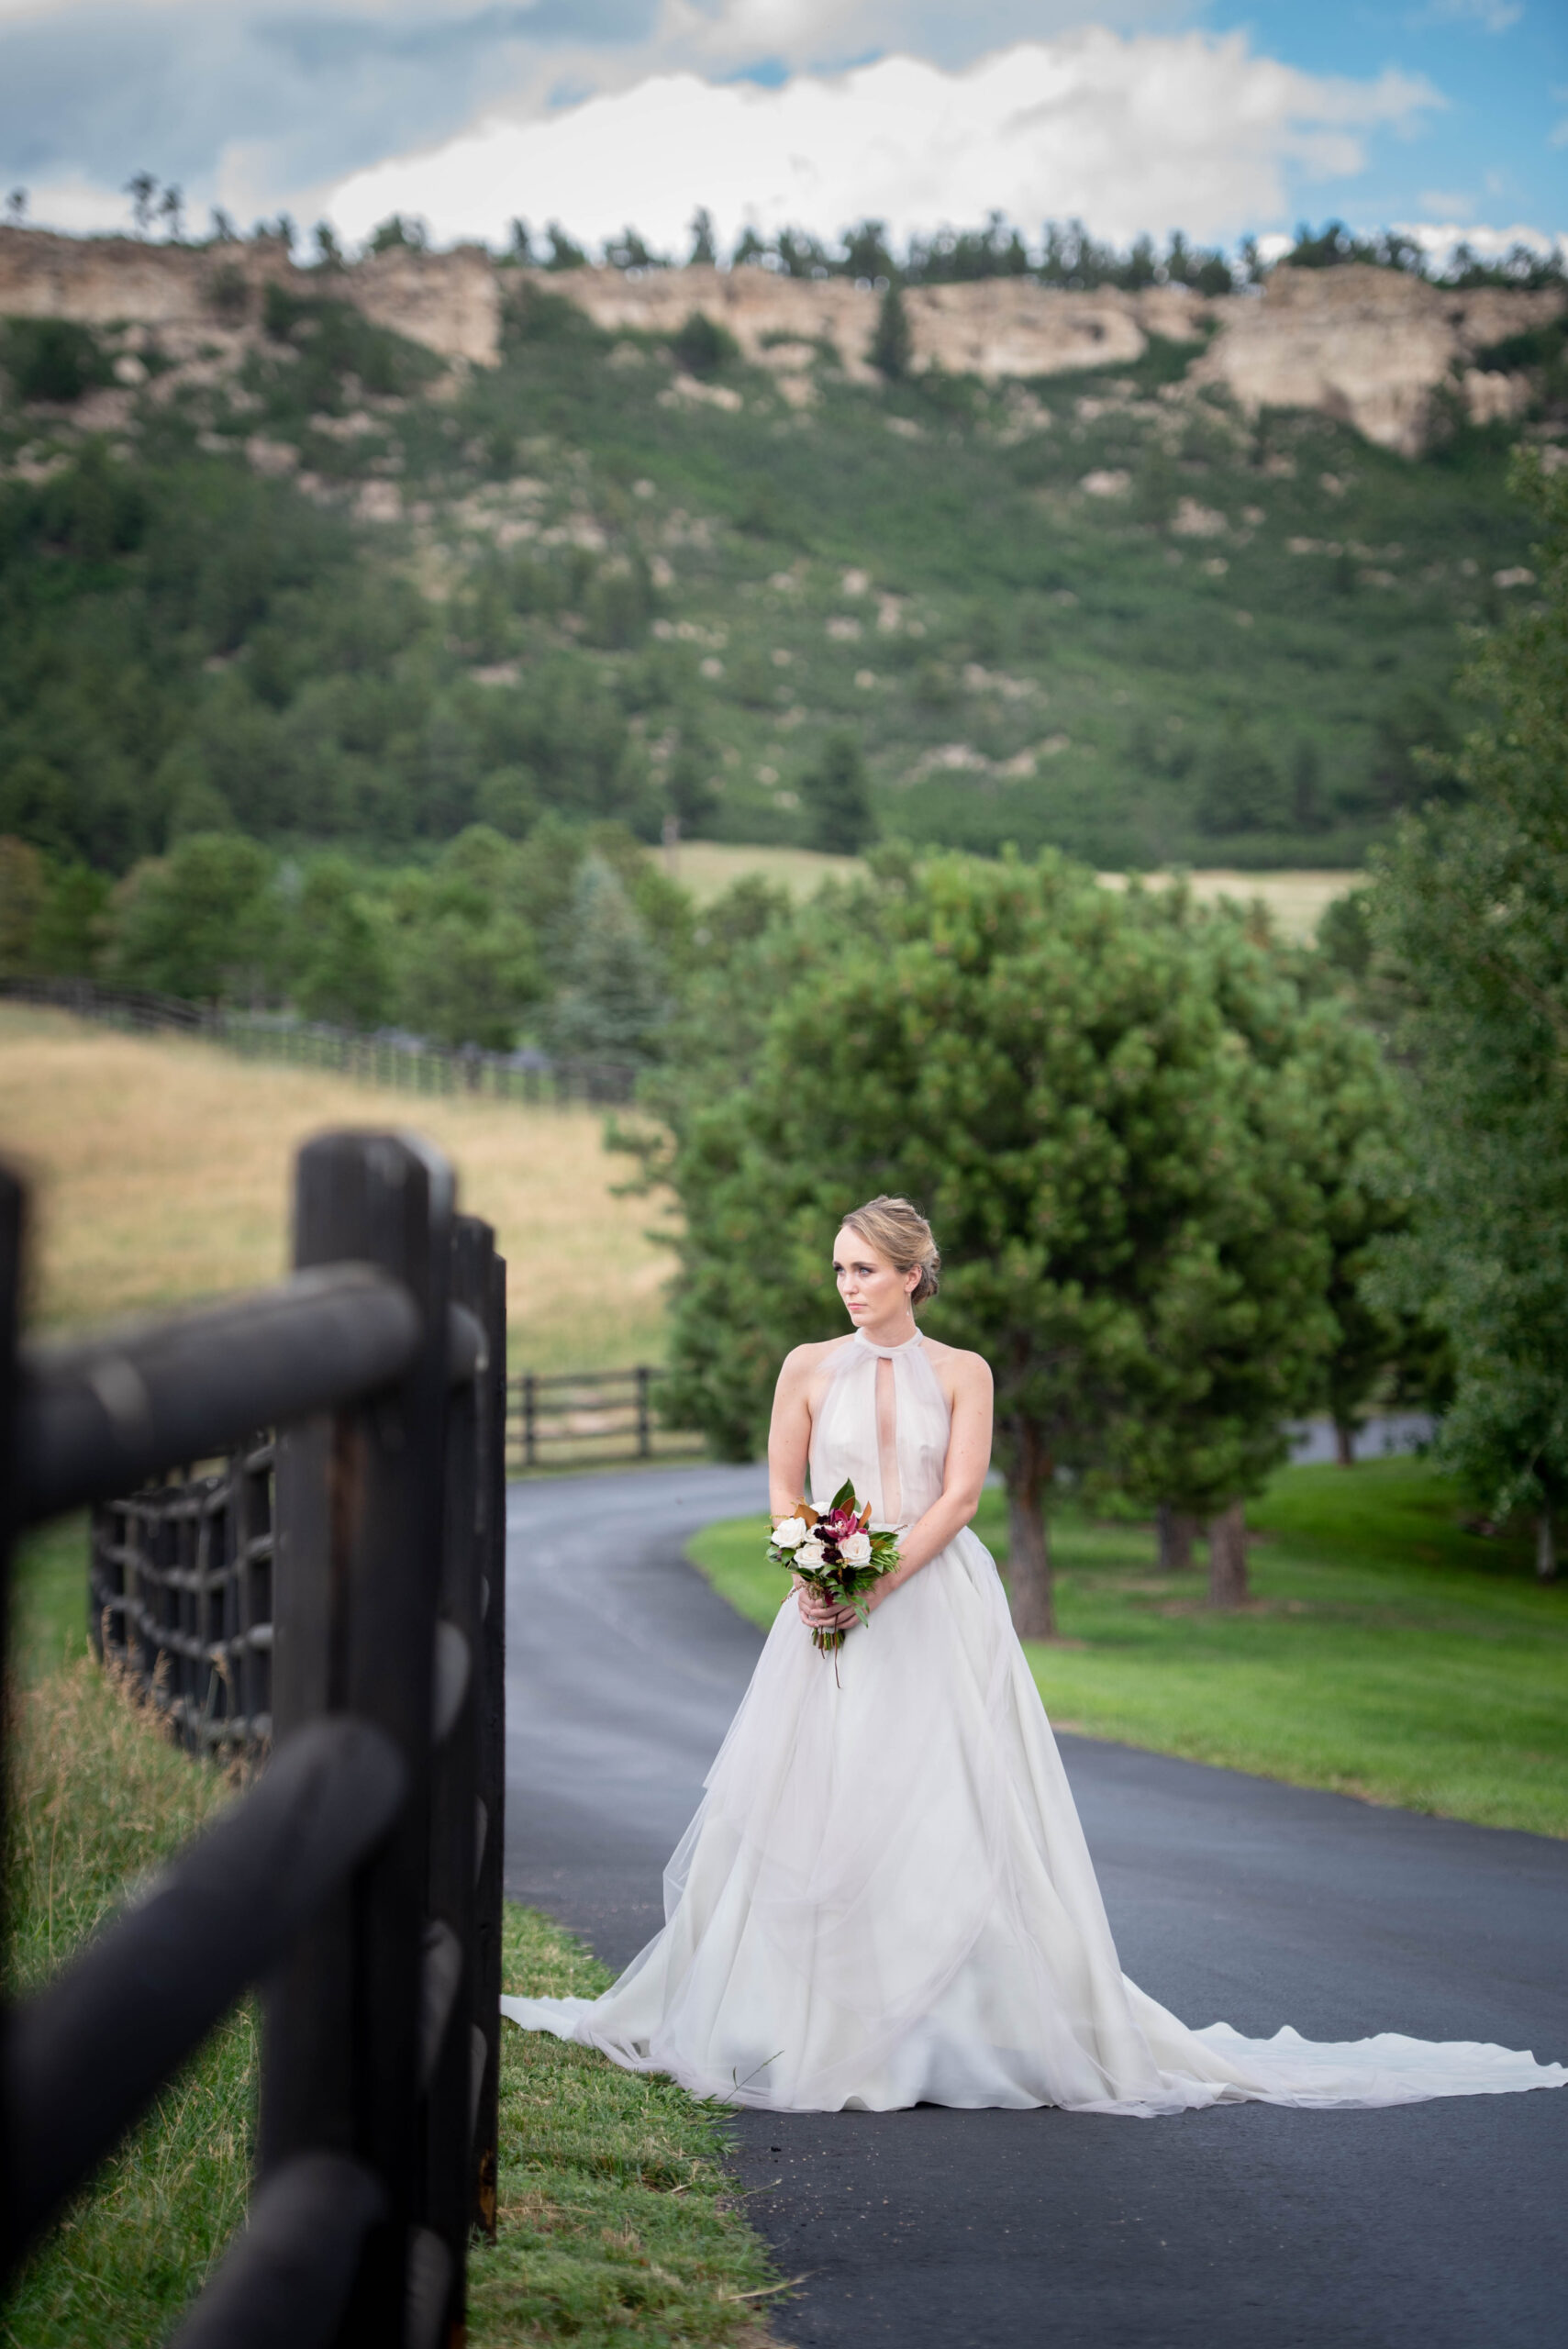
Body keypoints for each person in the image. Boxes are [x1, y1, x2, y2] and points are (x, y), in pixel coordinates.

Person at [502, 1197, 1568, 2115]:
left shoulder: (964, 1370)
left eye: (864, 1269)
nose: (846, 1287)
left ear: (915, 1274)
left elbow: (960, 1496)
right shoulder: (804, 1366)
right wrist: (812, 1576)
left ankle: (957, 2027)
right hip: (823, 1606)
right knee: (817, 1803)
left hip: (933, 1603)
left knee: (946, 1798)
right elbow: (784, 1489)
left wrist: (871, 1580)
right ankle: (803, 2018)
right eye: (837, 1269)